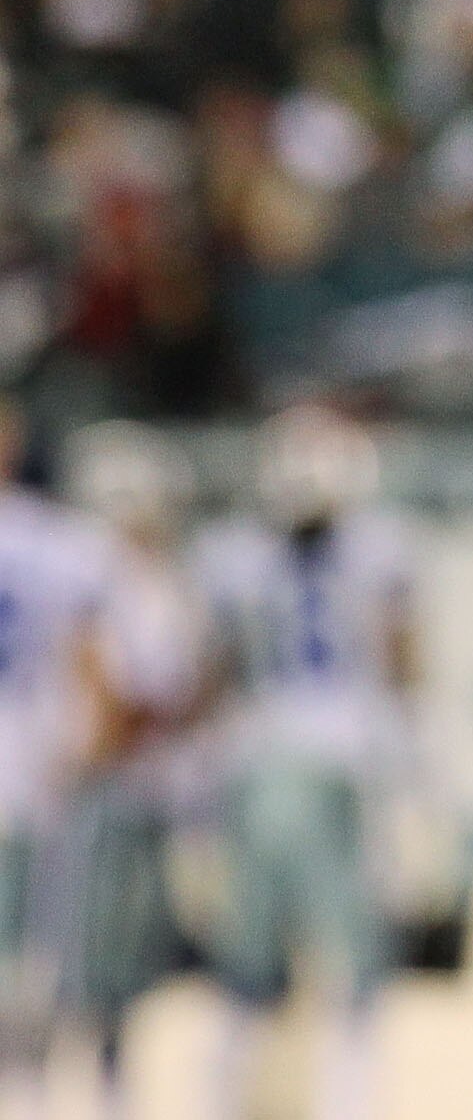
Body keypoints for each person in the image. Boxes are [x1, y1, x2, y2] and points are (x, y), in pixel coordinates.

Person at [192, 404, 418, 1120]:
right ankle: (343, 1098)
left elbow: (217, 672)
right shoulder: (380, 549)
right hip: (341, 762)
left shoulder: (235, 553)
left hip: (262, 761)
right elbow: (404, 665)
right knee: (348, 955)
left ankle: (231, 1091)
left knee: (253, 955)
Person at [64, 422, 209, 1119]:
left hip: (139, 791)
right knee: (88, 967)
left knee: (128, 969)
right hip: (105, 790)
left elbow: (179, 692)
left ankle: (112, 1094)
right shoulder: (100, 574)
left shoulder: (155, 582)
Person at [0, 398, 109, 1120]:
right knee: (29, 957)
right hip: (34, 765)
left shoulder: (58, 539)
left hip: (33, 762)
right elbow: (94, 669)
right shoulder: (63, 540)